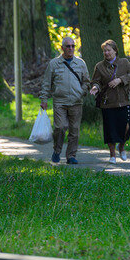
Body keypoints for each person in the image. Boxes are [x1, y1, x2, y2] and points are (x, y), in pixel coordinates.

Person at [39, 36, 91, 165]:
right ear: (62, 48)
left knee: (74, 130)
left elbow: (87, 81)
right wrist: (44, 99)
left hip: (76, 101)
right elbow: (46, 83)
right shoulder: (54, 64)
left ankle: (71, 156)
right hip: (60, 102)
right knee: (60, 127)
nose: (71, 48)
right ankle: (57, 151)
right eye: (68, 46)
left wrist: (82, 92)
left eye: (73, 46)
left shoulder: (80, 63)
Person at [89, 40, 130, 163]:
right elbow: (96, 81)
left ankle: (121, 146)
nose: (106, 52)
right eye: (104, 51)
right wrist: (95, 88)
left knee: (127, 127)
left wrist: (120, 80)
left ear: (115, 50)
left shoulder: (124, 63)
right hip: (108, 103)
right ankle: (112, 155)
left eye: (109, 50)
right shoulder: (99, 66)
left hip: (125, 101)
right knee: (110, 129)